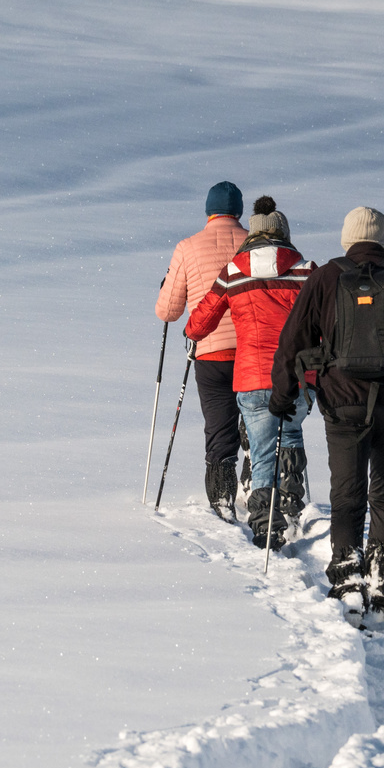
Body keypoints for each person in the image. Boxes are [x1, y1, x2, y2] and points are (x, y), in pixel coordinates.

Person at [269, 206, 384, 615]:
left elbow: (291, 341)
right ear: (382, 239)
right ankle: (382, 580)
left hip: (341, 401)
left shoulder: (325, 277)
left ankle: (347, 576)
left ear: (347, 238)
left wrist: (282, 397)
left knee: (346, 493)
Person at [185, 196, 315, 549]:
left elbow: (205, 316)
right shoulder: (306, 270)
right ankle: (289, 496)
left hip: (252, 377)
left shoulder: (234, 272)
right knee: (289, 434)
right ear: (285, 234)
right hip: (298, 377)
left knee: (260, 453)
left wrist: (191, 333)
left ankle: (264, 522)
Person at [156, 181, 249, 520]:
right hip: (256, 350)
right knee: (257, 416)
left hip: (210, 352)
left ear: (209, 211)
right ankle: (256, 478)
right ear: (239, 210)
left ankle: (222, 496)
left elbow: (168, 311)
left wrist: (167, 285)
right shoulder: (256, 245)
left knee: (219, 425)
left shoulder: (188, 247)